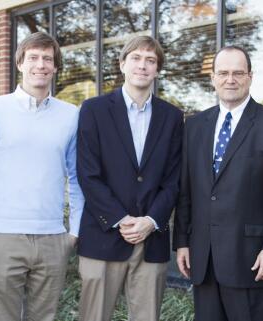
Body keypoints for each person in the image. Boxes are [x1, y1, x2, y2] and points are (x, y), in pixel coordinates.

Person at [173, 46, 263, 321]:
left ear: (250, 76)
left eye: (238, 73)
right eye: (223, 73)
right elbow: (186, 191)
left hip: (253, 262)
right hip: (204, 261)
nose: (230, 79)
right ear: (213, 78)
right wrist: (182, 241)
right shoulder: (194, 126)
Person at [0, 31, 84, 321]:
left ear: (55, 66)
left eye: (47, 58)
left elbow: (78, 175)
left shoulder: (71, 115)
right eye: (33, 57)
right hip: (4, 237)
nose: (40, 64)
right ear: (20, 63)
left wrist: (75, 231)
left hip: (54, 238)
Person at [76, 35, 183, 321]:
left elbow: (173, 180)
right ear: (122, 64)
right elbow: (88, 174)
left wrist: (150, 221)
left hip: (151, 239)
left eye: (151, 60)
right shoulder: (93, 110)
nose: (143, 65)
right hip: (103, 234)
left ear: (157, 70)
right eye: (136, 58)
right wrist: (121, 219)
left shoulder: (172, 117)